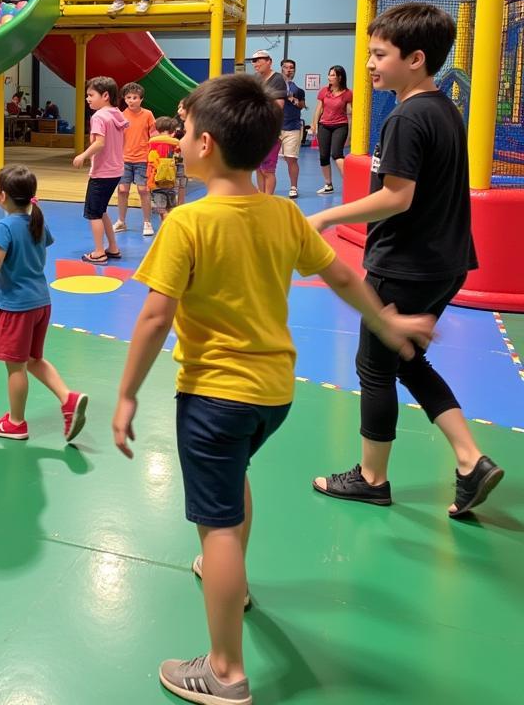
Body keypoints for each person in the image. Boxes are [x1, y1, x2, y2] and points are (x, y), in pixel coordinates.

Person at [110, 74, 435, 705]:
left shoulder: (187, 222)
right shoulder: (283, 213)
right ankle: (233, 581)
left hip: (213, 396)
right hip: (273, 392)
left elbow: (155, 317)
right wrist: (387, 320)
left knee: (217, 526)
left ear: (204, 145)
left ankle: (225, 670)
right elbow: (343, 276)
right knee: (234, 485)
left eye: (184, 132)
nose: (177, 141)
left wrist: (127, 394)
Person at [309, 3, 504, 518]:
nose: (369, 63)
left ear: (415, 58)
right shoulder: (442, 108)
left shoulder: (406, 116)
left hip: (407, 265)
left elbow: (397, 196)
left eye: (379, 54)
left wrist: (327, 218)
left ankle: (372, 478)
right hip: (446, 261)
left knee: (374, 367)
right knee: (408, 360)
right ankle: (470, 461)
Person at [0, 164, 88, 442]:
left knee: (16, 366)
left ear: (2, 196)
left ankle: (16, 423)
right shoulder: (37, 220)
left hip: (16, 306)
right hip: (41, 302)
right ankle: (68, 399)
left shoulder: (5, 226)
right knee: (33, 358)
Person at [72, 76, 128, 264]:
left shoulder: (99, 117)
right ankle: (112, 247)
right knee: (101, 210)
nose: (87, 99)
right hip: (116, 170)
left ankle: (98, 252)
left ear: (105, 95)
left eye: (91, 95)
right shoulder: (117, 113)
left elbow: (99, 143)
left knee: (93, 212)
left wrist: (82, 156)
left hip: (102, 172)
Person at [114, 82, 157, 236]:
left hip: (143, 159)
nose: (131, 100)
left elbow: (154, 133)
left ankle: (147, 222)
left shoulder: (148, 114)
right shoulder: (120, 115)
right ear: (124, 99)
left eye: (135, 97)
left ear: (141, 99)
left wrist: (156, 151)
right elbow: (116, 136)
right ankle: (121, 221)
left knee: (143, 190)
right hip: (124, 159)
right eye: (128, 97)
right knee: (123, 189)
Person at [311, 65, 353, 194]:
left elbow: (350, 114)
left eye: (333, 75)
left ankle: (351, 183)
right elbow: (319, 109)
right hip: (324, 125)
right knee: (323, 156)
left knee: (336, 154)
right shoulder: (324, 91)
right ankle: (328, 185)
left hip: (340, 126)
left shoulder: (347, 93)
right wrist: (314, 124)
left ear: (340, 77)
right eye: (329, 74)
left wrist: (350, 134)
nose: (330, 77)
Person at [250, 50, 287, 195]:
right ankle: (261, 195)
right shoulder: (256, 79)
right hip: (256, 130)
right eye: (254, 61)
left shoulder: (277, 79)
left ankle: (268, 198)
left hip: (270, 130)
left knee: (268, 169)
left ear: (269, 61)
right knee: (258, 168)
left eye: (260, 60)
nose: (256, 63)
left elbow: (278, 106)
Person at [279, 58, 306, 199]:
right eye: (286, 67)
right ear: (281, 69)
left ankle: (293, 187)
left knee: (291, 159)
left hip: (292, 128)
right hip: (275, 127)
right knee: (266, 159)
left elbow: (302, 105)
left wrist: (294, 100)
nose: (289, 70)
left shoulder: (298, 90)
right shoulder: (274, 87)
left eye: (291, 68)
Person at [146, 116, 181, 223]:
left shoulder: (152, 142)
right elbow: (179, 159)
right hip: (171, 179)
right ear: (172, 130)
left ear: (158, 128)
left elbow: (150, 161)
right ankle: (170, 225)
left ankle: (165, 224)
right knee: (171, 205)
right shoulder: (175, 143)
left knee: (160, 206)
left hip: (157, 179)